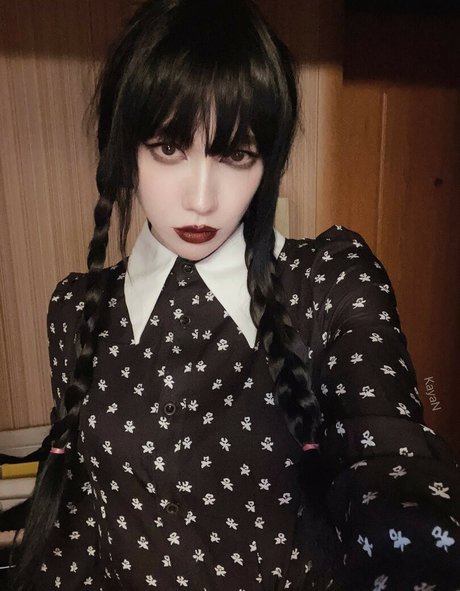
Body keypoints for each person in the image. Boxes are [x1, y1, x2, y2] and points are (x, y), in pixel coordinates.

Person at [9, 0, 460, 589]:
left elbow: (391, 472)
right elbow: (81, 527)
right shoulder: (76, 310)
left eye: (236, 154)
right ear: (125, 148)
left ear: (267, 161)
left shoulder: (329, 283)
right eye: (168, 147)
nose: (201, 200)